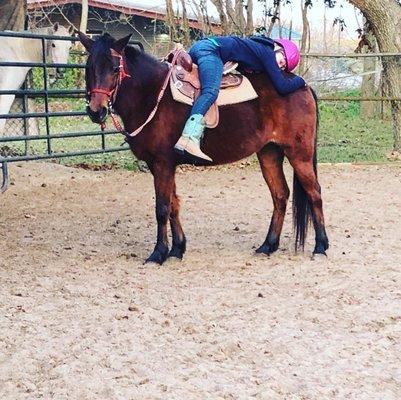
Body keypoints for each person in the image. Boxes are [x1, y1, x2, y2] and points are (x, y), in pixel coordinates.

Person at [174, 35, 306, 162]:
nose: (279, 66)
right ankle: (189, 137)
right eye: (282, 61)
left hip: (204, 47)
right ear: (278, 48)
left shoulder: (257, 49)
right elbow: (282, 86)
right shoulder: (268, 53)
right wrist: (300, 81)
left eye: (283, 67)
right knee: (210, 92)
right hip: (210, 51)